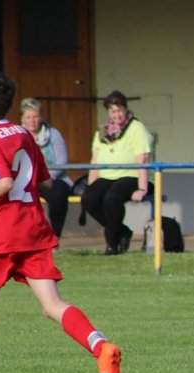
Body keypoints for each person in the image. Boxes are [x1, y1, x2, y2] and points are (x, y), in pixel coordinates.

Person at [0, 71, 121, 373]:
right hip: (34, 227)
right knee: (52, 304)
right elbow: (46, 183)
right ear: (11, 105)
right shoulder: (24, 133)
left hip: (2, 230)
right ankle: (101, 346)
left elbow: (3, 183)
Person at [81, 90, 153, 255]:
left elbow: (143, 160)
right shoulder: (102, 131)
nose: (117, 115)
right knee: (89, 198)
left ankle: (112, 243)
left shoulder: (136, 128)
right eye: (113, 111)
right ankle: (122, 231)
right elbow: (95, 161)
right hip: (108, 176)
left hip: (132, 175)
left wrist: (142, 189)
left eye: (120, 110)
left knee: (111, 198)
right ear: (108, 112)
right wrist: (91, 186)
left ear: (126, 109)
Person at [20, 98, 71, 239]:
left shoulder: (53, 134)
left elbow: (61, 162)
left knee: (58, 196)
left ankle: (55, 237)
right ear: (22, 119)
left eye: (35, 117)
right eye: (28, 117)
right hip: (26, 179)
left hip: (52, 178)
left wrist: (44, 178)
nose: (32, 121)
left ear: (41, 117)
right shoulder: (18, 135)